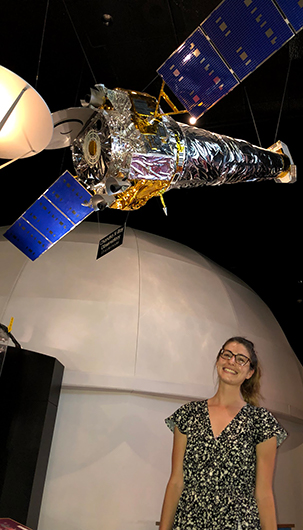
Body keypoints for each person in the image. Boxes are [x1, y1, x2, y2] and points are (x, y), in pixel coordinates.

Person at [159, 337, 287, 530]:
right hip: (190, 522)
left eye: (241, 359)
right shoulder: (188, 414)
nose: (231, 361)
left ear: (250, 372)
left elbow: (263, 493)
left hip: (239, 524)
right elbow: (176, 481)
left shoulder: (261, 421)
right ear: (219, 359)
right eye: (226, 354)